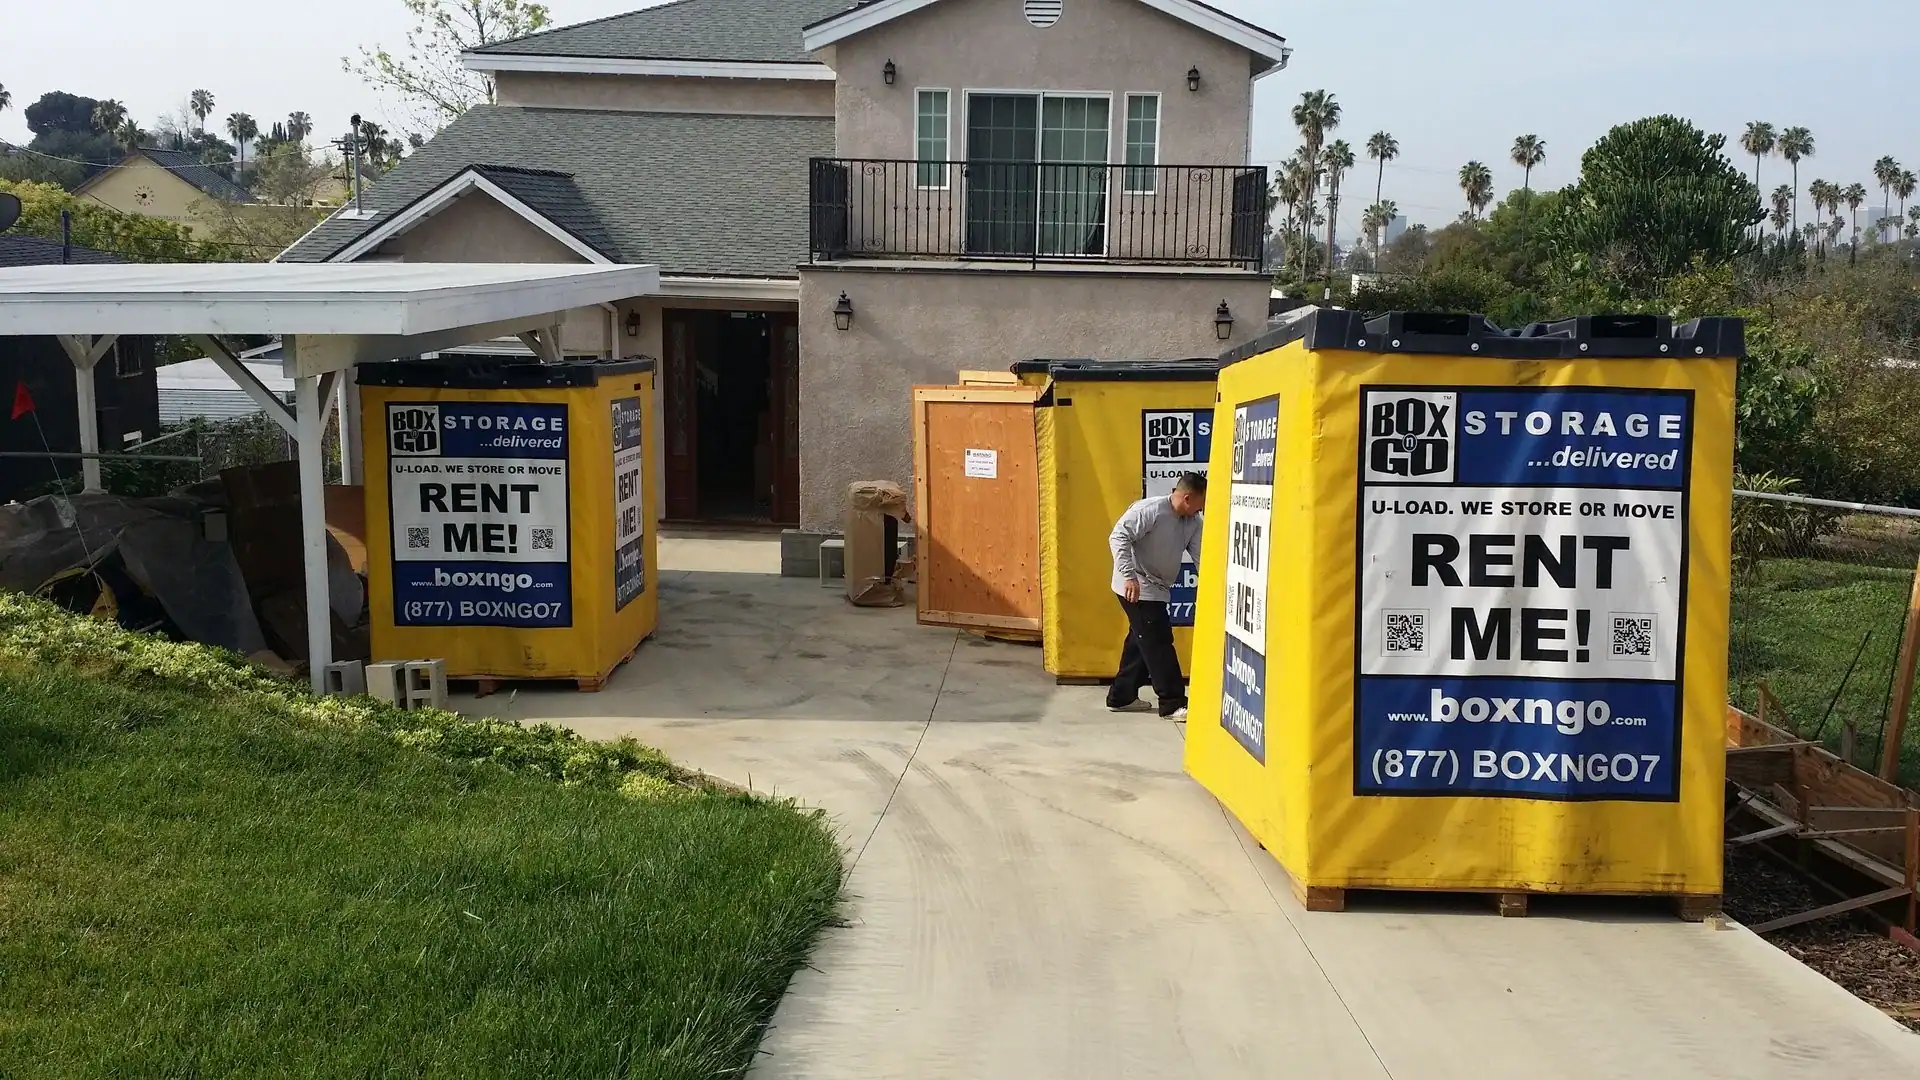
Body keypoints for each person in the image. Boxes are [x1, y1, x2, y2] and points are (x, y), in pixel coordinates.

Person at [1106, 471, 1206, 719]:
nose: (1200, 511)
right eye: (1199, 505)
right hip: (1135, 585)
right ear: (1186, 497)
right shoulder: (1150, 510)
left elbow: (1200, 557)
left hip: (1158, 589)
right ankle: (1172, 702)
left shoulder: (1193, 523)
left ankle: (1121, 696)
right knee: (1159, 641)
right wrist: (1128, 575)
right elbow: (1118, 537)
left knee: (1142, 642)